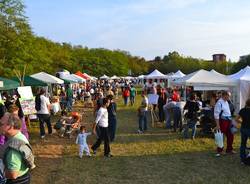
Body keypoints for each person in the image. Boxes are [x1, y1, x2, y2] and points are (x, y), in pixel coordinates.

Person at [0, 112, 35, 184]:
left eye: (1, 124)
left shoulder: (13, 149)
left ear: (10, 126)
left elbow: (13, 174)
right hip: (24, 176)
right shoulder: (19, 135)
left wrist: (3, 174)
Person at [214, 91, 235, 156]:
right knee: (221, 136)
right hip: (222, 121)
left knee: (231, 135)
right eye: (229, 96)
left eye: (229, 96)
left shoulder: (226, 102)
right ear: (224, 95)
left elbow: (228, 113)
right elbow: (216, 115)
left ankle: (229, 149)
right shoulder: (219, 103)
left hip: (228, 120)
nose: (229, 97)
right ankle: (220, 150)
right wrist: (217, 125)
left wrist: (232, 121)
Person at [235, 99, 250, 164]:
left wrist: (242, 122)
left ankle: (242, 160)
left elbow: (236, 119)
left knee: (243, 144)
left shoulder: (242, 110)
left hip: (243, 128)